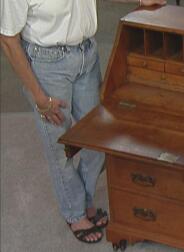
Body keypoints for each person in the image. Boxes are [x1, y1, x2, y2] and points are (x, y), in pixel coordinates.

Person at [0, 0, 167, 244]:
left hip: (86, 55)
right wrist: (39, 96)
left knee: (98, 136)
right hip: (48, 64)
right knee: (60, 148)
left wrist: (140, 0)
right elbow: (7, 39)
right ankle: (74, 212)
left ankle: (86, 201)